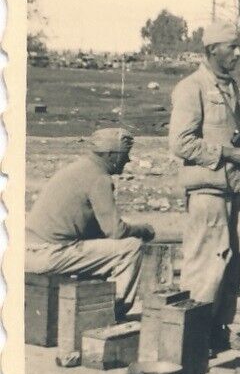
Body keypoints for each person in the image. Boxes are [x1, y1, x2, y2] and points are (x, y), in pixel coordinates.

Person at [168, 20, 240, 353]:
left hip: (234, 187)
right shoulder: (191, 87)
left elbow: (228, 135)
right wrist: (227, 152)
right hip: (208, 191)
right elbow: (181, 143)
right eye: (232, 48)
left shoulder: (229, 87)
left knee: (233, 260)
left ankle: (219, 330)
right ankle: (192, 340)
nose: (239, 54)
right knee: (205, 264)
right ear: (212, 50)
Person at [26, 128, 154, 317]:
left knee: (102, 248)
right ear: (112, 155)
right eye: (125, 155)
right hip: (48, 254)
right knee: (131, 247)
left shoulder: (78, 168)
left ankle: (90, 305)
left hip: (28, 250)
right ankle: (113, 313)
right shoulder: (99, 178)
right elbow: (116, 232)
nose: (128, 160)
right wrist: (143, 230)